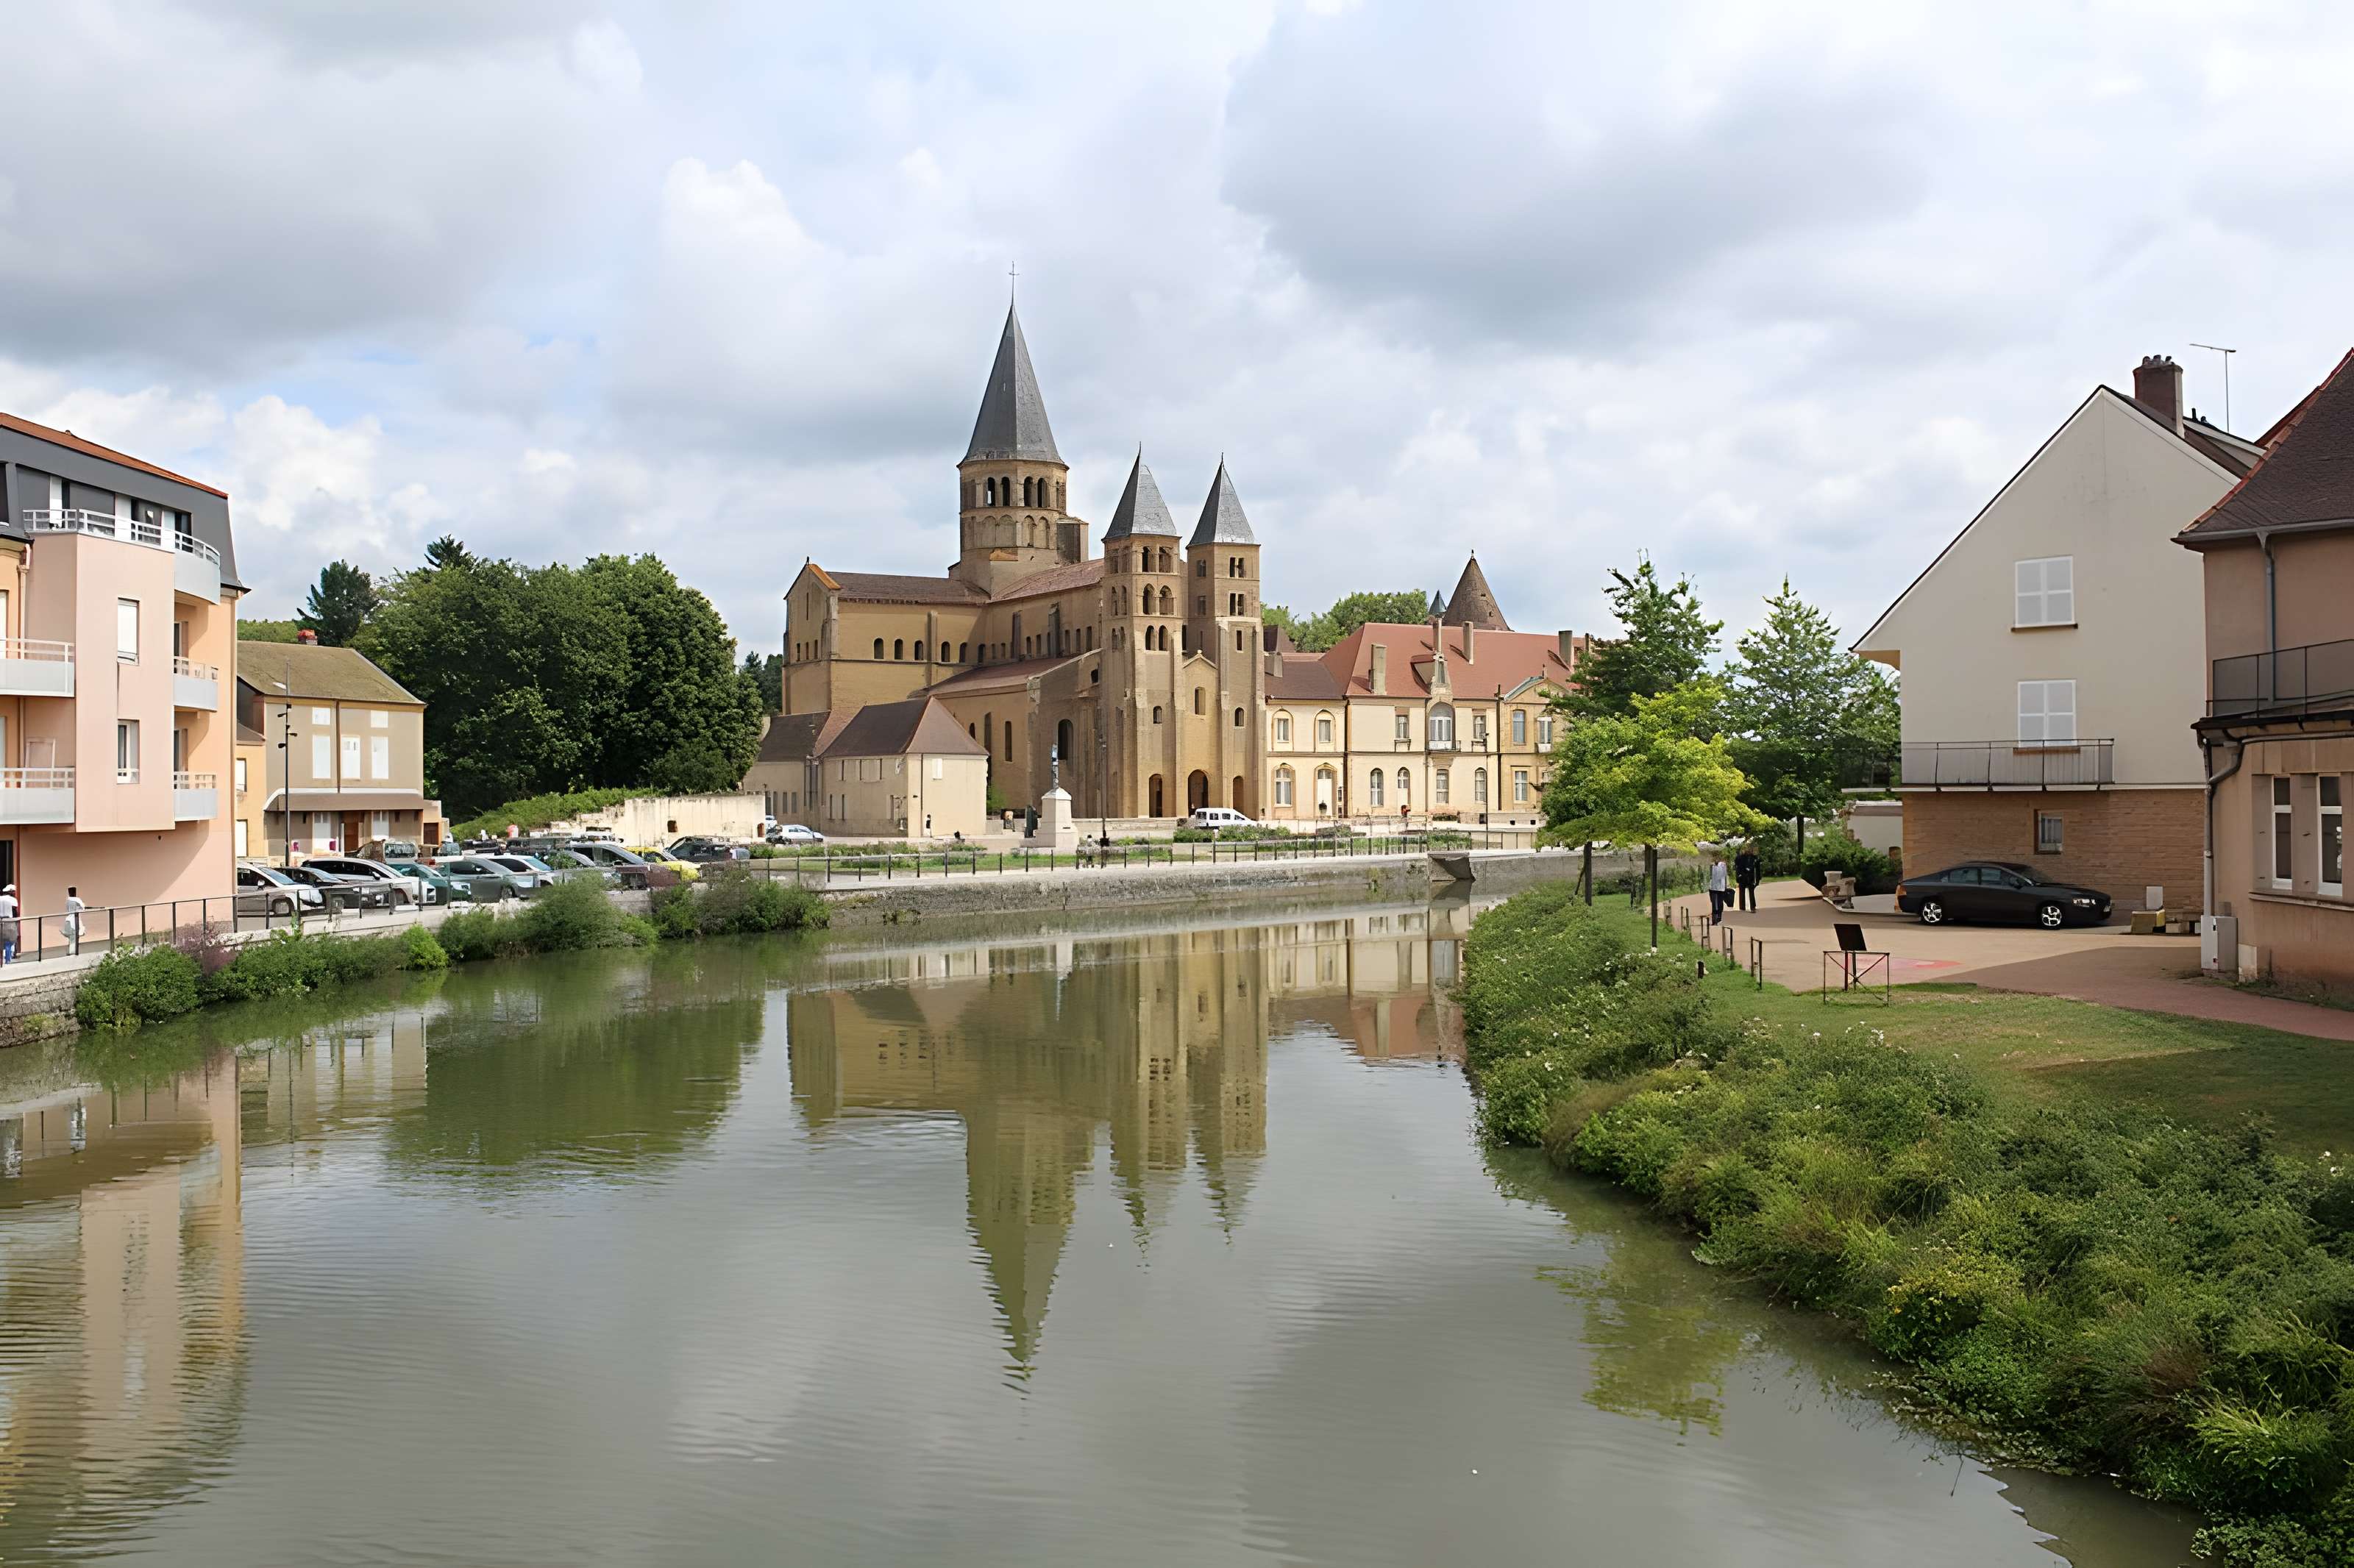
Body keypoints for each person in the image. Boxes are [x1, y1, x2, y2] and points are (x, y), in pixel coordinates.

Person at [1735, 841, 1761, 912]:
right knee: (1742, 892)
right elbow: (1737, 865)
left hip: (1751, 877)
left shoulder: (1754, 858)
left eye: (1749, 849)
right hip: (1742, 876)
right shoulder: (1741, 857)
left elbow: (1758, 869)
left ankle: (1753, 907)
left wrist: (1758, 879)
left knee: (1751, 892)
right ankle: (1742, 907)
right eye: (1747, 849)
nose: (1748, 850)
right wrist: (1738, 876)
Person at [1707, 855, 1729, 926]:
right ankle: (1714, 920)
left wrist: (1726, 886)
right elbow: (1710, 876)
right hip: (1713, 888)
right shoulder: (1711, 866)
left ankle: (1719, 917)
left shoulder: (1723, 865)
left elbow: (1725, 876)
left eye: (1717, 858)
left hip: (1721, 888)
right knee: (1714, 903)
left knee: (1720, 903)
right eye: (1715, 857)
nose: (1716, 859)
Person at [62, 885, 85, 957]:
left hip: (68, 920)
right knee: (74, 937)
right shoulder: (77, 900)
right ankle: (72, 952)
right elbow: (83, 907)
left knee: (72, 937)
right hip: (74, 921)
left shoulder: (68, 901)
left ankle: (71, 951)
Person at [0, 883, 17, 964]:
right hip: (9, 921)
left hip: (0, 921)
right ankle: (8, 960)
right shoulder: (12, 900)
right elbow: (15, 910)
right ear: (11, 892)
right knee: (9, 943)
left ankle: (1, 961)